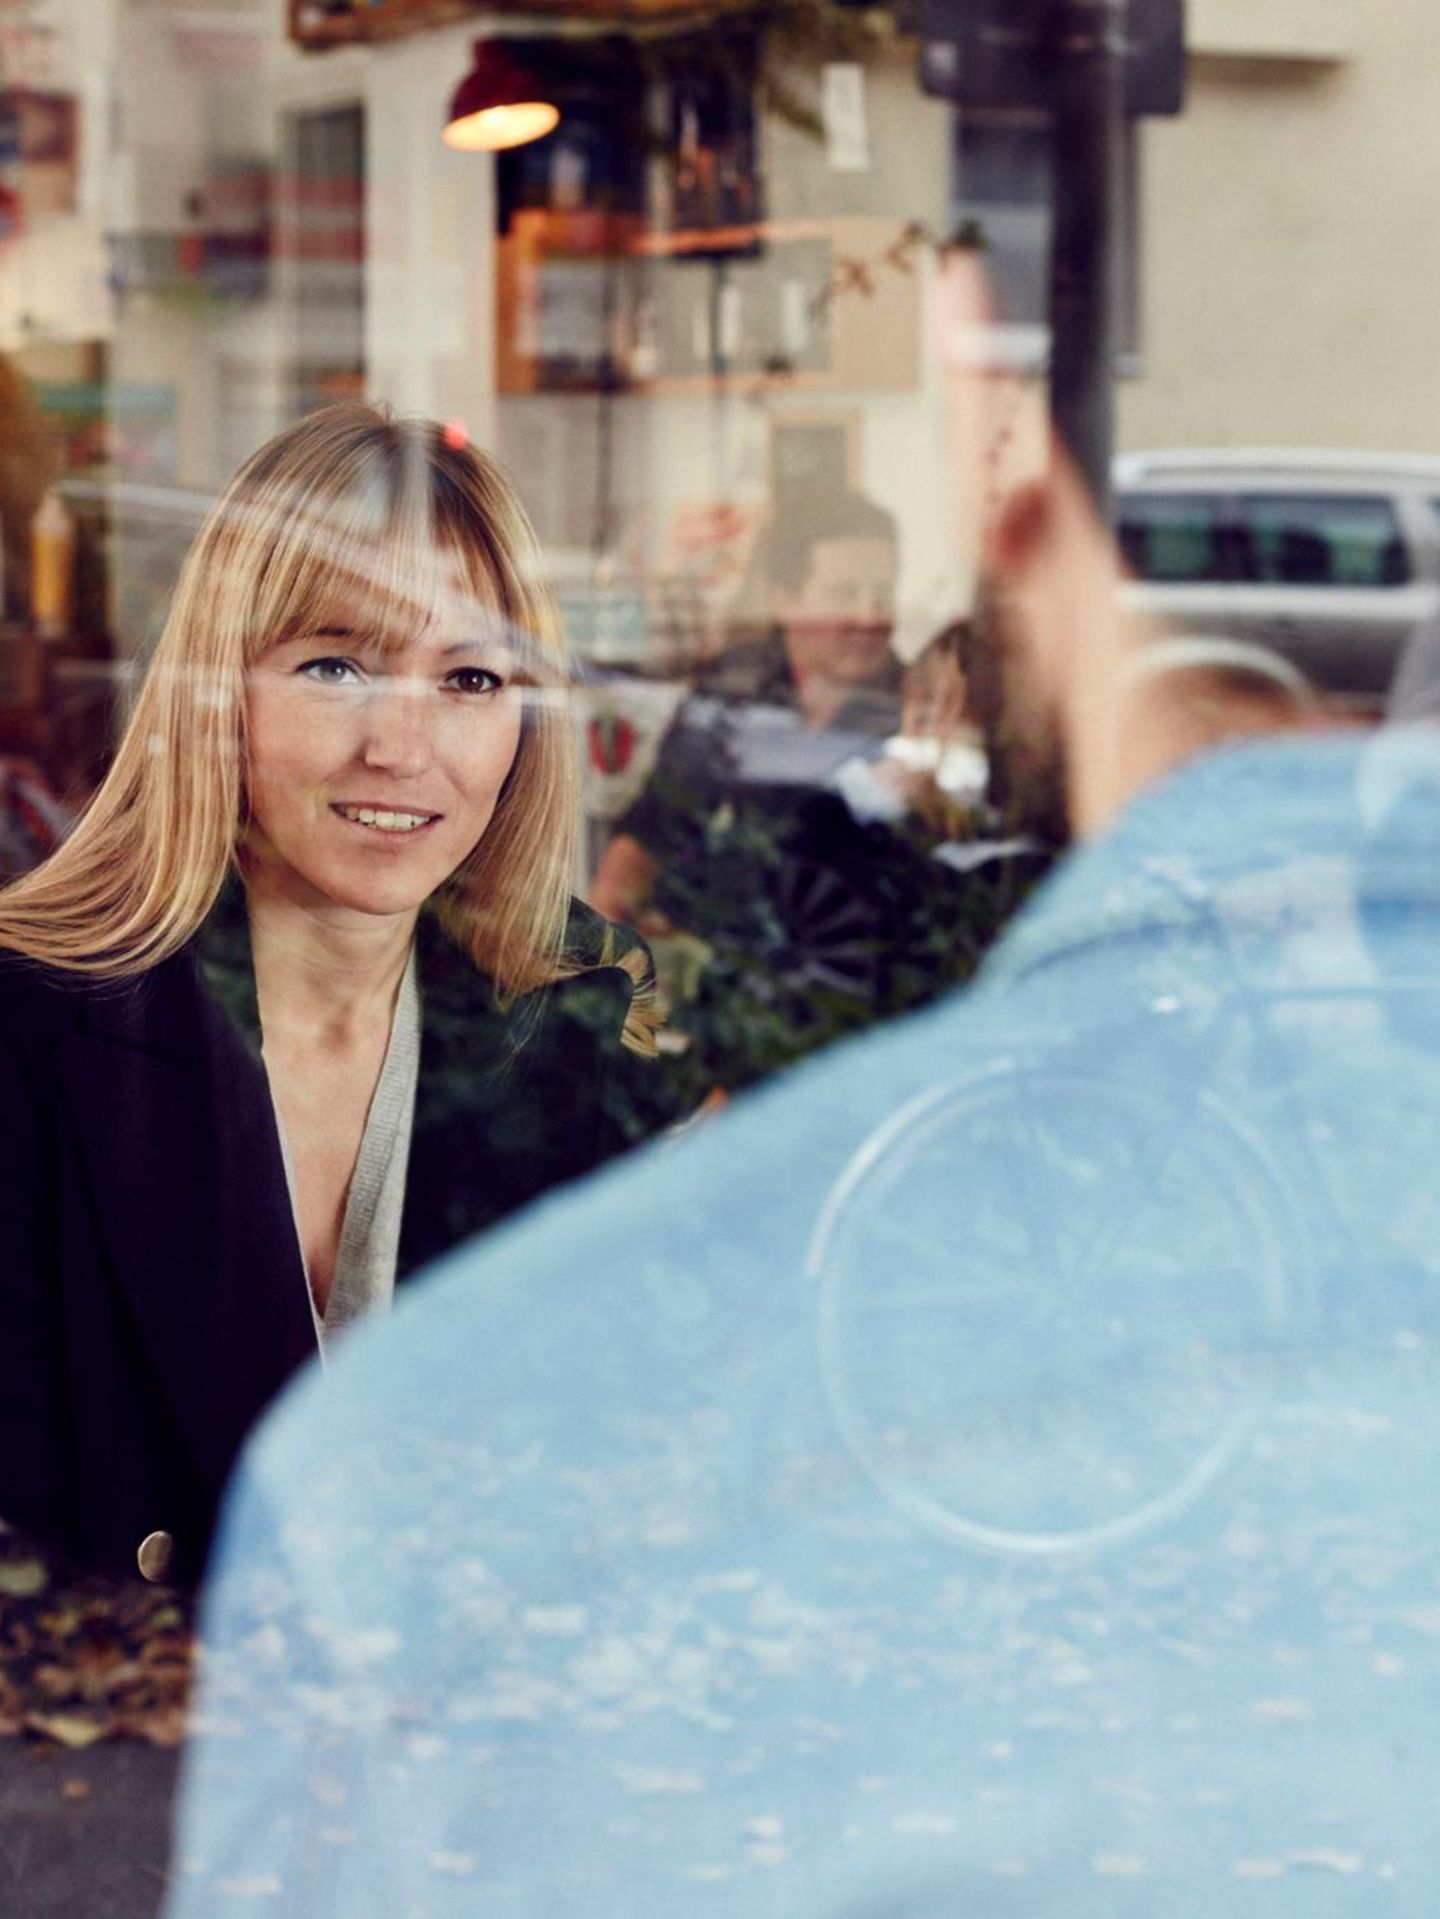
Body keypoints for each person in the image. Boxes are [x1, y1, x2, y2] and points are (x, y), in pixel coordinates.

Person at [0, 402, 657, 1589]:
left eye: (467, 676)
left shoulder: (572, 1027)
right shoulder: (31, 1030)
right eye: (335, 663)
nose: (402, 750)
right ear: (218, 687)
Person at [588, 486, 903, 927]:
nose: (870, 616)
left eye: (882, 594)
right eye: (846, 595)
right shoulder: (732, 686)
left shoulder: (918, 708)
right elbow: (655, 826)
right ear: (784, 602)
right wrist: (604, 922)